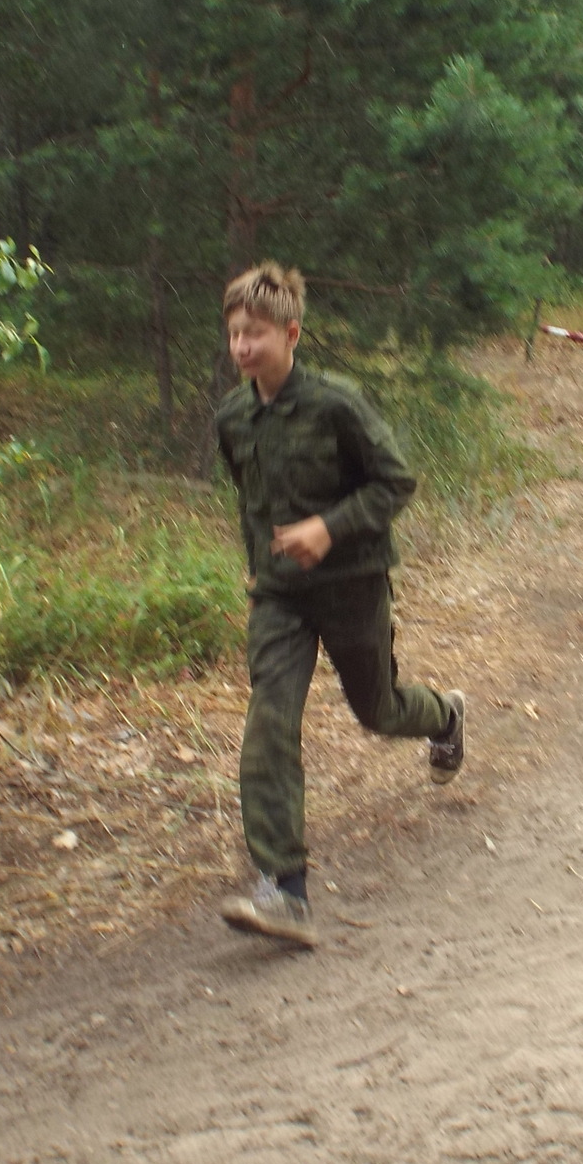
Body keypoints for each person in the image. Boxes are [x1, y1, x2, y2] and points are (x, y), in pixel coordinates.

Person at [215, 264, 465, 948]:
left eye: (256, 334)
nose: (243, 347)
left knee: (377, 712)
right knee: (270, 721)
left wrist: (328, 527)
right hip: (280, 598)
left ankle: (446, 714)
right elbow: (249, 501)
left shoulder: (337, 404)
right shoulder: (234, 416)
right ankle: (283, 889)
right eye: (235, 334)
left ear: (291, 334)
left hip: (353, 584)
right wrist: (264, 571)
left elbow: (396, 482)